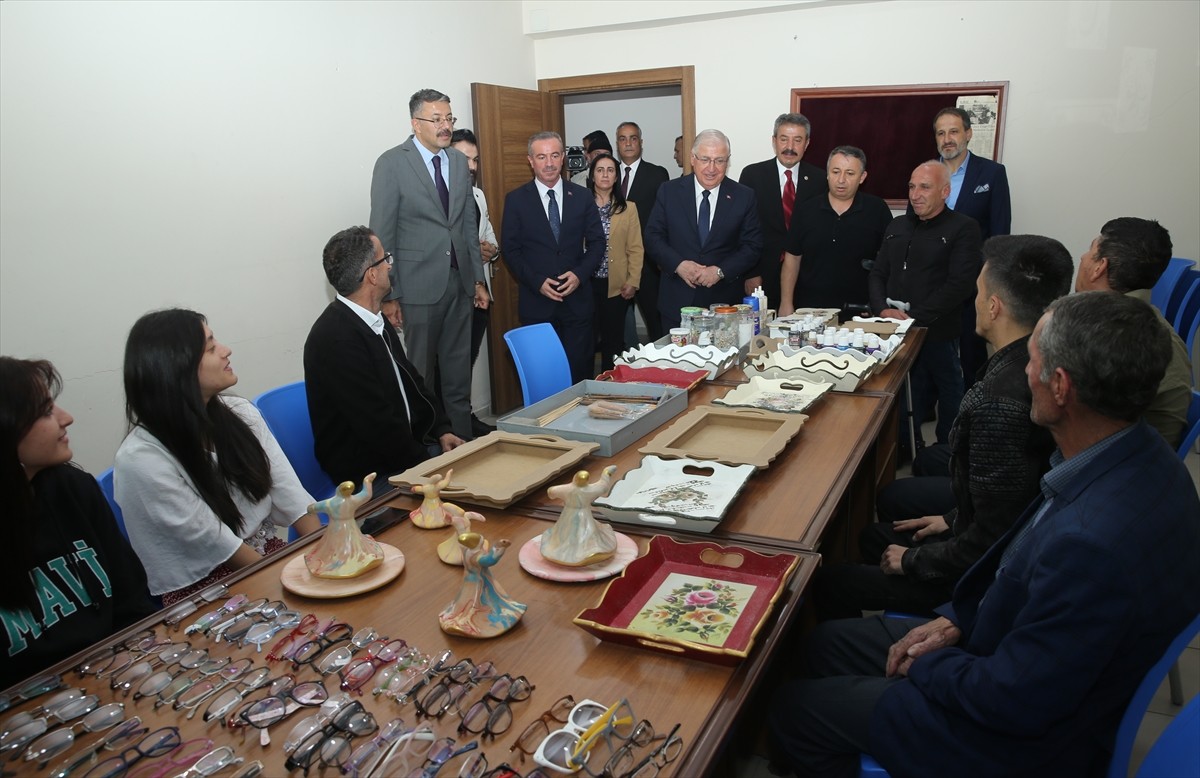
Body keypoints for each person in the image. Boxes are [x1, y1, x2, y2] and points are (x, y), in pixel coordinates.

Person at [769, 291, 1200, 777]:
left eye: (1031, 362)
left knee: (794, 711)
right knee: (821, 646)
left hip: (1012, 738)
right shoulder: (1135, 454)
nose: (1022, 374)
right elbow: (1019, 562)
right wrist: (956, 618)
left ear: (1059, 386)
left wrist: (927, 666)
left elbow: (1012, 698)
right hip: (1005, 644)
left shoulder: (1091, 546)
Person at [815, 235, 1073, 620]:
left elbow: (991, 539)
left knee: (829, 582)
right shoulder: (1031, 365)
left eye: (978, 291)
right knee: (871, 535)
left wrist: (916, 560)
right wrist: (952, 519)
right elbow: (1004, 507)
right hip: (979, 539)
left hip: (972, 583)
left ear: (993, 306)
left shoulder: (1001, 403)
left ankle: (837, 651)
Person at [115, 309, 322, 605]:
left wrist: (325, 556)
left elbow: (291, 494)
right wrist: (302, 584)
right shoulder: (142, 460)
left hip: (267, 558)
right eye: (211, 348)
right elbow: (221, 547)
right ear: (177, 369)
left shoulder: (240, 413)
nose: (226, 351)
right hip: (207, 593)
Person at [0, 357, 156, 689]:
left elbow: (133, 605)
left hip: (118, 680)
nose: (66, 418)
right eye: (45, 412)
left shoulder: (73, 489)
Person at [369, 88, 489, 441]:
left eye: (449, 118)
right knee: (419, 378)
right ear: (415, 123)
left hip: (459, 284)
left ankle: (464, 447)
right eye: (436, 119)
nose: (445, 125)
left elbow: (467, 223)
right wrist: (388, 296)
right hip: (417, 289)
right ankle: (424, 452)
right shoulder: (392, 163)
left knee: (457, 376)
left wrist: (478, 280)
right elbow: (382, 234)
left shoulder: (455, 161)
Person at [304, 226, 464, 488]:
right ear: (372, 275)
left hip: (406, 452)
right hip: (370, 474)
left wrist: (441, 429)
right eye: (385, 258)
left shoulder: (373, 318)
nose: (391, 265)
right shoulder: (336, 340)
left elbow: (412, 382)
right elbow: (378, 427)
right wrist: (426, 467)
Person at [869, 161, 982, 447]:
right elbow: (878, 272)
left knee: (950, 389)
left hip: (937, 329)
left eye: (924, 187)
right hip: (892, 328)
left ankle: (947, 451)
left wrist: (913, 317)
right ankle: (906, 447)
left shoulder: (964, 228)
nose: (915, 194)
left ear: (945, 191)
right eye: (911, 186)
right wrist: (881, 309)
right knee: (901, 391)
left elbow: (960, 285)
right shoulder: (897, 225)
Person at [1073, 217, 1191, 448]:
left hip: (1120, 465)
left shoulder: (1111, 337)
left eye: (1090, 250)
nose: (1082, 257)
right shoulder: (1138, 322)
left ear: (1100, 267)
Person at [501, 131, 606, 383]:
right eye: (541, 156)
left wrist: (580, 275)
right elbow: (510, 250)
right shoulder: (516, 200)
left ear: (563, 159)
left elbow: (597, 243)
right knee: (544, 378)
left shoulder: (581, 196)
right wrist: (537, 281)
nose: (548, 163)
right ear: (530, 160)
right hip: (537, 303)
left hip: (577, 304)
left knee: (579, 374)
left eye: (554, 155)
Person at [645, 129, 763, 332]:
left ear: (728, 161)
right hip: (677, 303)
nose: (712, 168)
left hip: (724, 307)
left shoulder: (744, 196)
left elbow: (752, 246)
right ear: (692, 158)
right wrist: (679, 264)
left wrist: (720, 271)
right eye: (705, 159)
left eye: (719, 161)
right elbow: (652, 237)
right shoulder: (668, 191)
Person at [930, 107, 1012, 389]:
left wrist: (992, 283)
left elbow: (1000, 231)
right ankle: (929, 405)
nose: (947, 139)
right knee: (932, 351)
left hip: (974, 284)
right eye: (941, 133)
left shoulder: (992, 173)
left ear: (968, 133)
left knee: (971, 350)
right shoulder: (926, 173)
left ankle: (972, 405)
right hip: (933, 281)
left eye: (953, 131)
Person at [779, 145, 892, 317]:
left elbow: (889, 262)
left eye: (850, 173)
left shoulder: (877, 210)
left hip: (861, 312)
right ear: (827, 174)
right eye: (836, 171)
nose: (841, 179)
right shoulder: (806, 209)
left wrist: (881, 306)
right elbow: (792, 258)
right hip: (810, 311)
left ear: (862, 177)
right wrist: (786, 303)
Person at [739, 113, 828, 308]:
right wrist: (751, 273)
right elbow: (743, 229)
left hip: (806, 276)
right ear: (774, 141)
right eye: (784, 139)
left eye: (797, 140)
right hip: (762, 274)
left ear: (807, 143)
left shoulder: (820, 179)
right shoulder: (752, 175)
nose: (790, 147)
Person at [449, 128, 500, 438]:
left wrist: (491, 250)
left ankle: (465, 417)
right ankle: (450, 425)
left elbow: (489, 235)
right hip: (454, 295)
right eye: (463, 158)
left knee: (467, 361)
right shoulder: (442, 199)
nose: (471, 166)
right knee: (449, 365)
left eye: (475, 159)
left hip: (480, 292)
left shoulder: (478, 194)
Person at [587, 153, 644, 372]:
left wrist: (633, 281)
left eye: (610, 170)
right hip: (586, 283)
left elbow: (636, 248)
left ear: (616, 176)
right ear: (592, 175)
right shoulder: (581, 204)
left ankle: (609, 384)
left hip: (616, 285)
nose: (605, 174)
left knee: (613, 341)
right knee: (587, 339)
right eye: (600, 170)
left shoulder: (628, 208)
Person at [616, 121, 672, 342]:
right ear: (617, 143)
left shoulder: (657, 174)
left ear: (641, 143)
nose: (628, 143)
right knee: (616, 325)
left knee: (655, 322)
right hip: (616, 263)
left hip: (649, 263)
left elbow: (665, 219)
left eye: (633, 138)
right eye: (623, 139)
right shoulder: (606, 173)